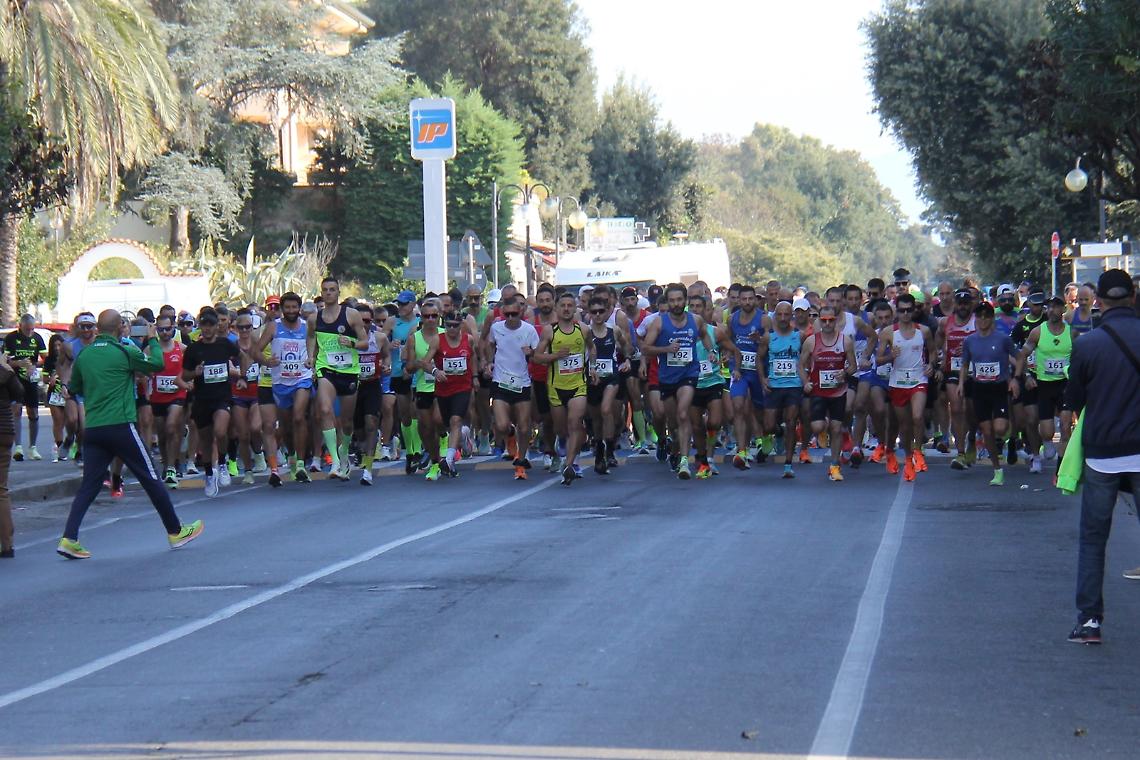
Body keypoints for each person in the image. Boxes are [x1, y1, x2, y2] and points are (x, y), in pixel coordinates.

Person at [56, 310, 203, 559]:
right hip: (121, 425)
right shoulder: (124, 351)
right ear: (119, 329)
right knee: (151, 477)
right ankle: (175, 531)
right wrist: (152, 340)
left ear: (98, 328)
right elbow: (157, 364)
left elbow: (75, 388)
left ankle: (69, 538)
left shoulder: (85, 355)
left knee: (89, 485)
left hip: (94, 428)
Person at [1063, 270, 1140, 644]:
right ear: (1133, 297)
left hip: (1102, 455)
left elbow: (1074, 401)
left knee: (1094, 540)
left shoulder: (1088, 344)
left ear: (1099, 302)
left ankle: (1090, 622)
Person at [307, 277, 369, 480]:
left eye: (332, 289)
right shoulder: (314, 318)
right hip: (326, 368)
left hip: (349, 371)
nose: (328, 293)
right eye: (325, 289)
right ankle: (334, 460)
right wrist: (311, 357)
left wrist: (351, 343)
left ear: (338, 292)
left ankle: (344, 452)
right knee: (325, 410)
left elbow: (365, 343)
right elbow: (311, 337)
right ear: (321, 293)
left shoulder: (351, 315)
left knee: (346, 421)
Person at [252, 291, 314, 483]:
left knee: (299, 417)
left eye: (294, 307)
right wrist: (266, 361)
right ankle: (291, 456)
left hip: (302, 378)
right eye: (287, 307)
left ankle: (301, 464)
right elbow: (255, 351)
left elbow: (315, 347)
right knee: (285, 426)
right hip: (280, 382)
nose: (291, 311)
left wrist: (312, 359)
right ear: (282, 309)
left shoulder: (307, 326)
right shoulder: (273, 327)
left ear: (299, 308)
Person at [534, 292, 594, 485]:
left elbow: (592, 348)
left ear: (575, 308)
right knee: (561, 429)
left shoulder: (583, 329)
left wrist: (592, 368)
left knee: (574, 422)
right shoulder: (549, 331)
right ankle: (563, 444)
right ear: (557, 308)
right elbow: (537, 357)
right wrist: (555, 356)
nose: (567, 309)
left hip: (578, 385)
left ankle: (570, 464)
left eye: (570, 305)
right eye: (563, 306)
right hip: (556, 387)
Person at [183, 307, 242, 497]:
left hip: (222, 397)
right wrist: (195, 373)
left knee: (220, 431)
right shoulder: (193, 349)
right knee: (206, 440)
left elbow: (243, 356)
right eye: (204, 325)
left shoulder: (225, 344)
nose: (207, 329)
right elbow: (184, 375)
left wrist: (242, 377)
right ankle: (209, 473)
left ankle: (222, 463)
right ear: (200, 327)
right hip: (202, 399)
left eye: (211, 325)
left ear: (217, 326)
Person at [878, 293, 937, 482]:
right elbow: (878, 359)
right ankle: (907, 457)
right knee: (904, 424)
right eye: (901, 310)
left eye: (908, 310)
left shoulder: (924, 331)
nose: (905, 314)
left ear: (914, 310)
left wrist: (931, 365)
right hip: (898, 381)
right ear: (897, 311)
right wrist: (890, 356)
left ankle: (918, 451)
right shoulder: (888, 332)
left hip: (919, 379)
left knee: (917, 416)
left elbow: (933, 351)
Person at [960, 301, 1019, 486]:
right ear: (975, 319)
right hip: (979, 388)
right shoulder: (969, 341)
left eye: (986, 316)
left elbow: (1019, 358)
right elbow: (964, 365)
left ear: (992, 318)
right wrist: (961, 383)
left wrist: (1016, 379)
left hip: (999, 387)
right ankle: (997, 470)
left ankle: (1011, 435)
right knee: (987, 431)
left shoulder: (1003, 339)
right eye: (979, 316)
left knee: (1000, 428)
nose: (983, 319)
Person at [483, 296, 540, 481]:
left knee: (524, 426)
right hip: (501, 382)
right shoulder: (496, 328)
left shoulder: (529, 330)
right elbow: (490, 344)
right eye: (506, 314)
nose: (510, 318)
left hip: (522, 383)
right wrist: (489, 362)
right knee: (501, 425)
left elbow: (539, 354)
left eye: (514, 314)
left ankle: (521, 461)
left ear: (521, 312)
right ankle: (510, 437)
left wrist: (531, 353)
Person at [1018, 295, 1077, 476]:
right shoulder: (1038, 332)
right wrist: (1027, 376)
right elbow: (1022, 355)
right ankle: (1047, 442)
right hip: (1045, 385)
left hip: (1065, 384)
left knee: (1065, 426)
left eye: (1056, 307)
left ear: (1063, 309)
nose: (1052, 310)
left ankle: (1063, 467)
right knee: (1047, 431)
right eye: (1049, 307)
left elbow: (1081, 356)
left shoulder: (1072, 333)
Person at [800, 305, 857, 482]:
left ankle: (834, 466)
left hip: (838, 392)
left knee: (836, 428)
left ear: (835, 321)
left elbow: (853, 366)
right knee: (817, 427)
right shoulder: (811, 341)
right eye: (823, 320)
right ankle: (823, 427)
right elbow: (800, 365)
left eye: (830, 320)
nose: (827, 324)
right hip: (818, 391)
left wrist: (845, 373)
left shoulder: (845, 341)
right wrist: (805, 382)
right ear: (819, 321)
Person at [433, 310, 479, 477]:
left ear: (461, 325)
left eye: (455, 325)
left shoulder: (468, 339)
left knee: (456, 420)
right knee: (440, 421)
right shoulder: (437, 340)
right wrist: (435, 371)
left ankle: (449, 459)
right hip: (443, 388)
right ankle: (461, 438)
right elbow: (425, 361)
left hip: (462, 387)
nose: (452, 329)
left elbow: (472, 357)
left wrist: (475, 377)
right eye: (448, 325)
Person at [147, 314, 190, 486]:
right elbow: (143, 369)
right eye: (161, 329)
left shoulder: (182, 348)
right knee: (163, 434)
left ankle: (172, 466)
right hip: (158, 397)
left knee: (172, 426)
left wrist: (189, 381)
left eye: (167, 329)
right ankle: (168, 464)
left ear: (173, 328)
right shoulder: (151, 349)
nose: (164, 332)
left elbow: (190, 369)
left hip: (177, 395)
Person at [762, 300, 803, 478]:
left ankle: (788, 464)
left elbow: (807, 357)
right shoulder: (768, 337)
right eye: (780, 314)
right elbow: (759, 358)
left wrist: (806, 377)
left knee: (791, 421)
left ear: (791, 316)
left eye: (787, 314)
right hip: (775, 386)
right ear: (775, 316)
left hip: (794, 385)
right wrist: (762, 379)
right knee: (769, 425)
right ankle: (778, 432)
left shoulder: (799, 335)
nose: (783, 318)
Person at [4, 313, 46, 461]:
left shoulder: (37, 338)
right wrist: (18, 363)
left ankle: (33, 447)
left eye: (32, 329)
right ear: (20, 326)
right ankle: (18, 448)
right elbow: (5, 361)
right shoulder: (11, 338)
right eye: (27, 329)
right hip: (15, 379)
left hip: (31, 379)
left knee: (33, 412)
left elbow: (45, 358)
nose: (30, 332)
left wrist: (34, 365)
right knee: (16, 411)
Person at [0, 352, 22, 557]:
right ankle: (7, 544)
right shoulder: (4, 372)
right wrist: (6, 368)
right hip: (4, 432)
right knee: (1, 490)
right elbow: (19, 391)